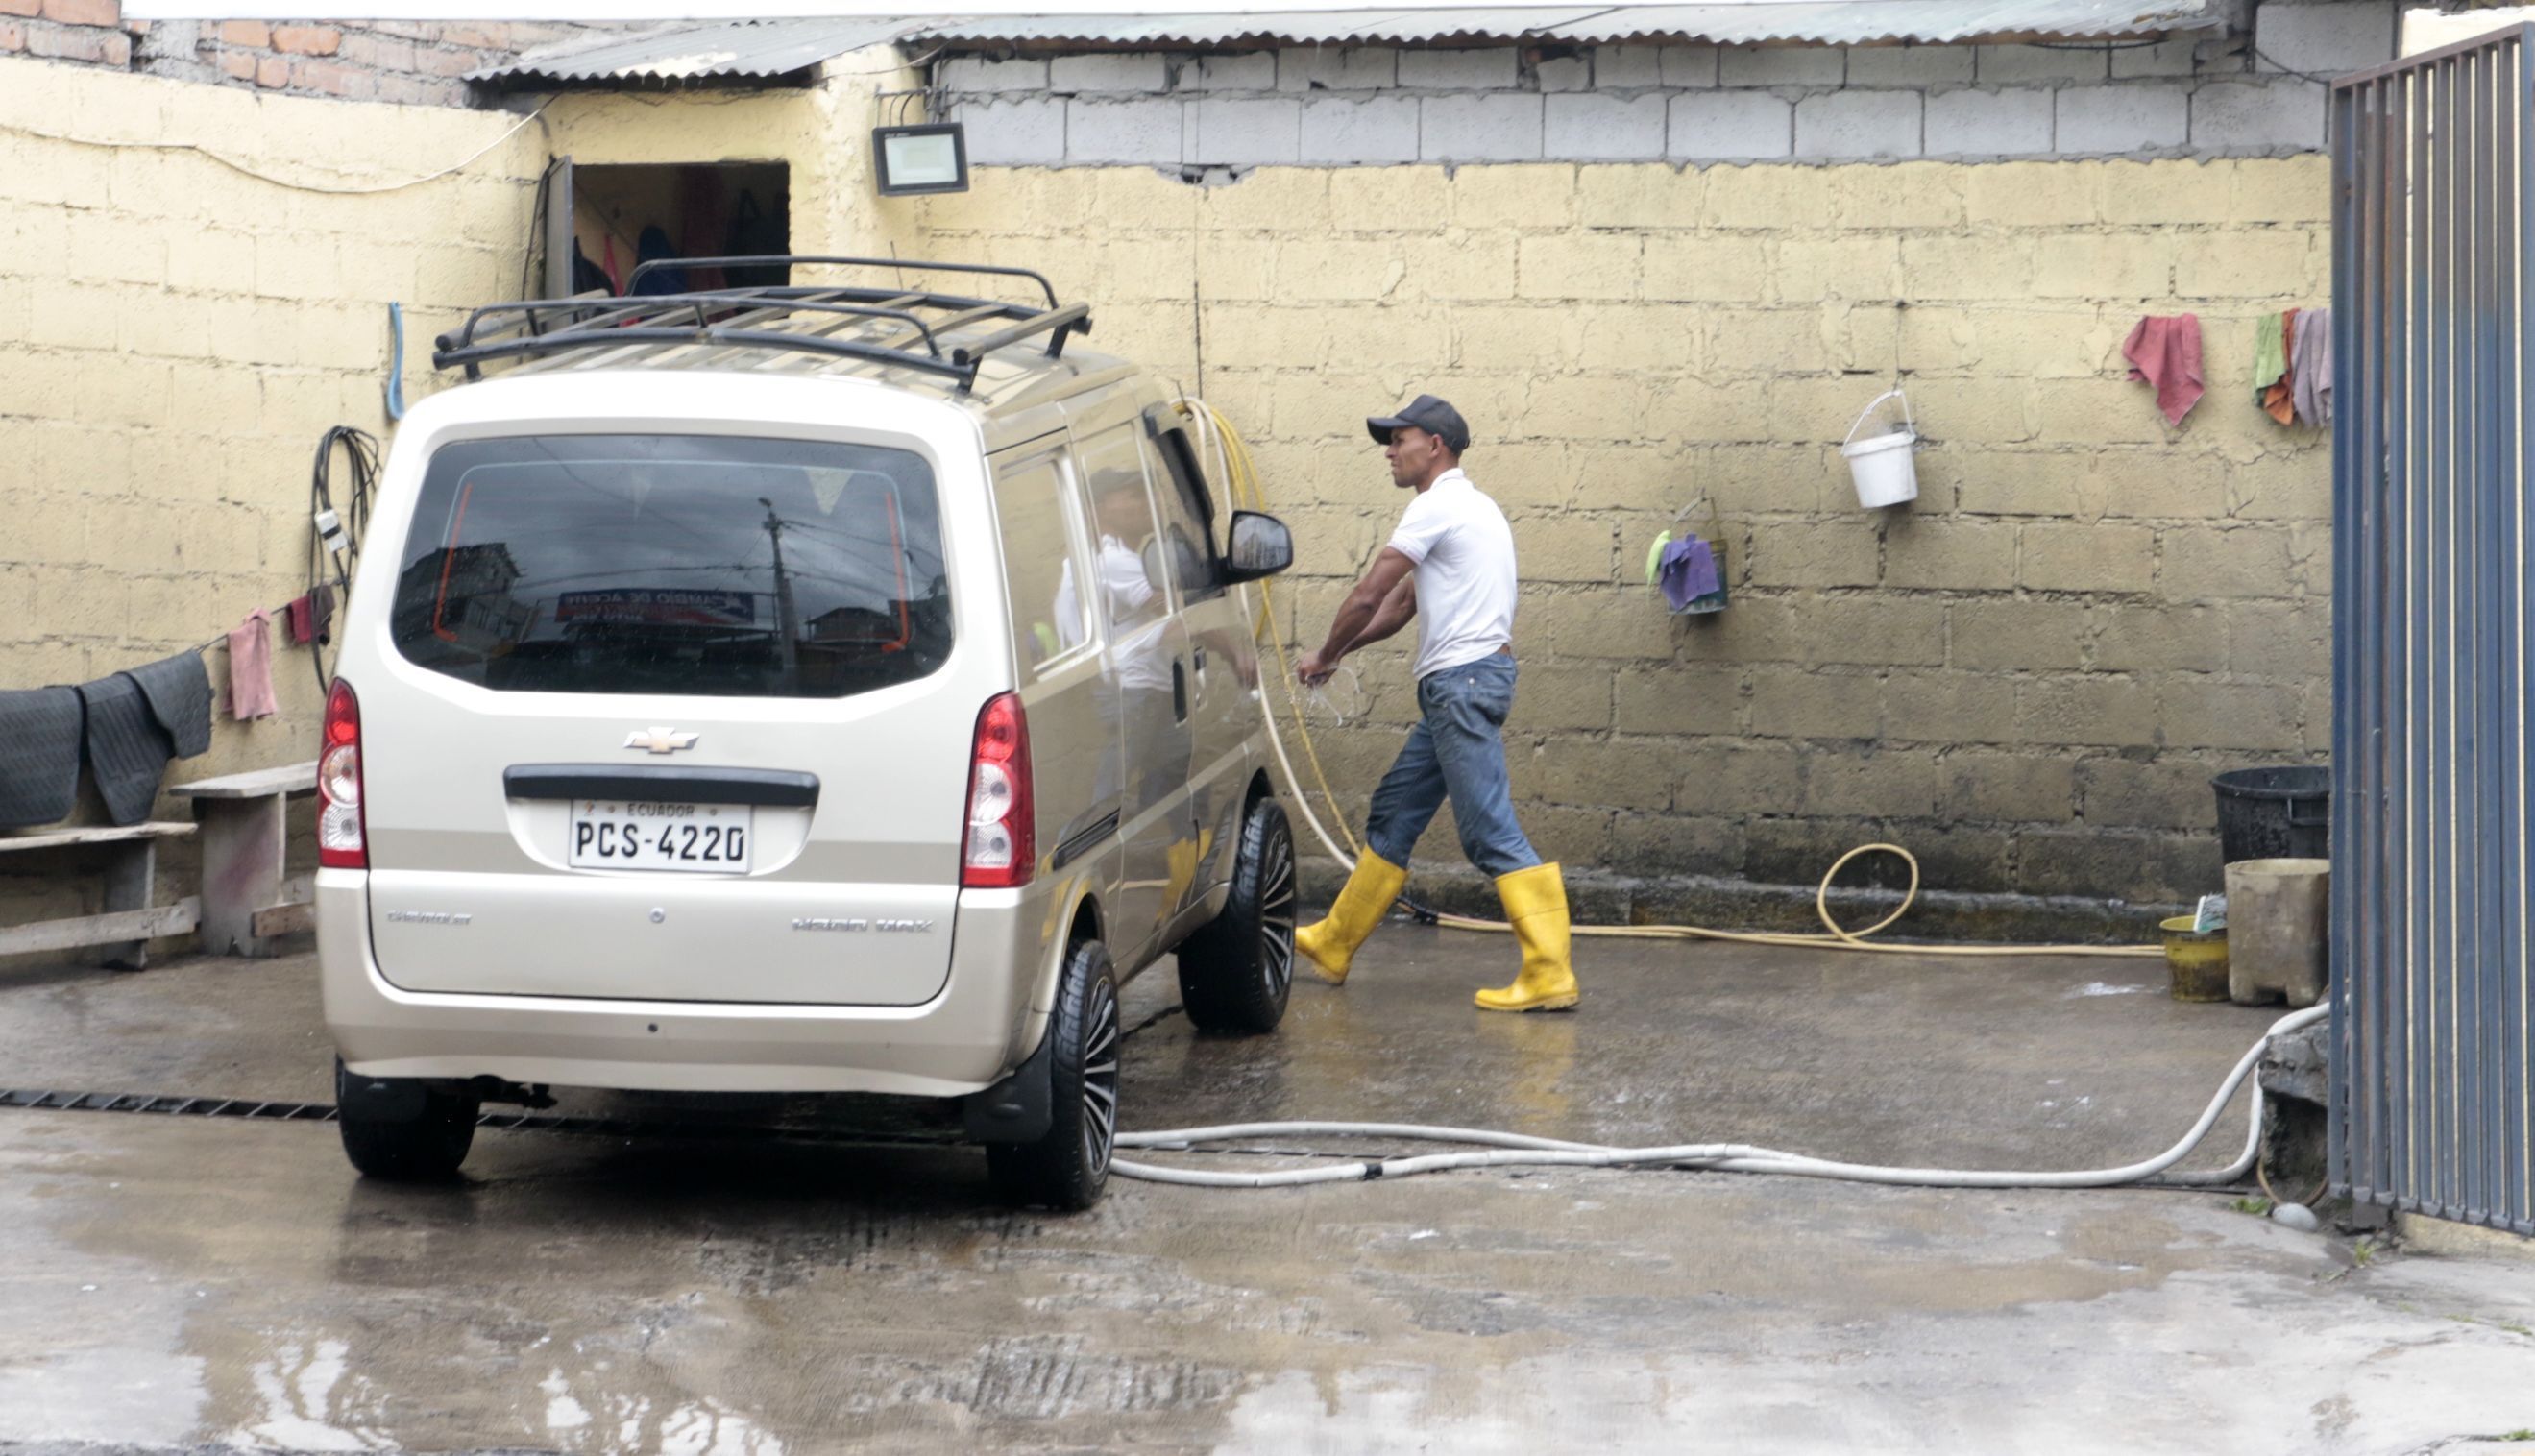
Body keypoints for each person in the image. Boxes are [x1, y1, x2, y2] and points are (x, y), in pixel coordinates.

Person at [1292, 394, 1578, 1013]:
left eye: (1400, 439)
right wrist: (1338, 656)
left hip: (1462, 685)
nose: (1390, 452)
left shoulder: (1436, 506)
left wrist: (1322, 652)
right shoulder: (1473, 510)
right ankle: (1335, 943)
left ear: (1436, 446)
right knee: (1395, 812)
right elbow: (1399, 608)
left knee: (1487, 832)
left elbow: (1371, 594)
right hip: (1461, 686)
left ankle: (1550, 970)